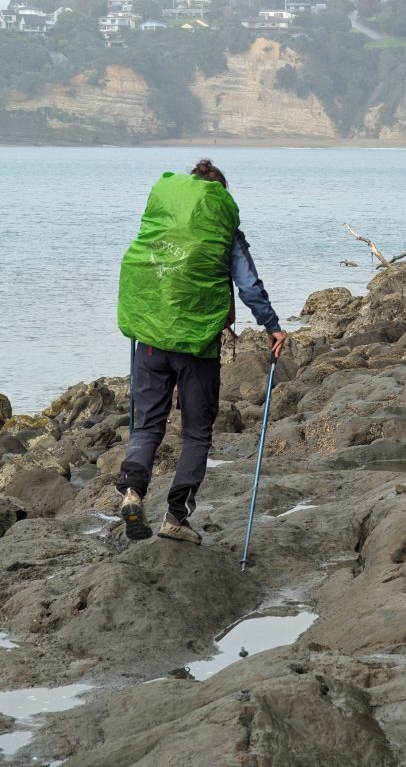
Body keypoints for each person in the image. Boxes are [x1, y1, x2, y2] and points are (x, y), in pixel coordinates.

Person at [115, 159, 286, 544]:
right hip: (199, 347)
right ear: (219, 196)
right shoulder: (224, 230)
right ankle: (175, 517)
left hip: (152, 343)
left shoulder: (162, 223)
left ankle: (133, 491)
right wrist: (272, 326)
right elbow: (248, 286)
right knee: (195, 435)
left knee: (146, 426)